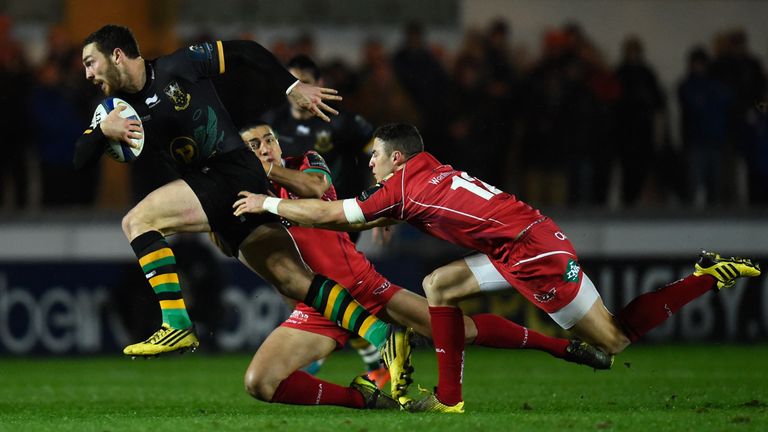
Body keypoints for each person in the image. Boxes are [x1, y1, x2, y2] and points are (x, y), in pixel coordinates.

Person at [233, 123, 762, 413]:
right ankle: (449, 398)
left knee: (615, 339)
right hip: (518, 241)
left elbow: (331, 208)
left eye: (375, 157)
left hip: (533, 254)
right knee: (439, 284)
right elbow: (388, 207)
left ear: (396, 159)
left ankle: (705, 277)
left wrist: (268, 204)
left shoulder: (392, 184)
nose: (368, 164)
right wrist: (377, 216)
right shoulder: (426, 169)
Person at [73, 24, 408, 371]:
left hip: (230, 171)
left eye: (90, 62)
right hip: (219, 190)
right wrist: (102, 131)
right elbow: (79, 159)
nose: (87, 73)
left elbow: (246, 53)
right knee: (294, 279)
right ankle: (382, 334)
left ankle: (176, 323)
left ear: (116, 55)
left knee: (138, 220)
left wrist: (291, 87)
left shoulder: (179, 65)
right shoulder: (114, 110)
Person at [238, 123, 612, 409]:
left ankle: (563, 349)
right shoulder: (238, 198)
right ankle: (367, 400)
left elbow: (318, 192)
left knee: (457, 331)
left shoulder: (305, 163)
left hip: (363, 285)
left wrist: (266, 187)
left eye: (268, 139)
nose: (265, 148)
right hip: (321, 303)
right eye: (253, 145)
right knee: (259, 381)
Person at [260, 55, 384, 382]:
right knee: (312, 293)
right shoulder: (270, 124)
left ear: (316, 85)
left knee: (329, 294)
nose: (294, 89)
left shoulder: (340, 122)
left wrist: (382, 204)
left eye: (301, 81)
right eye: (290, 81)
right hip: (293, 220)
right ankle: (374, 355)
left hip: (337, 218)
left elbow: (378, 155)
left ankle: (363, 352)